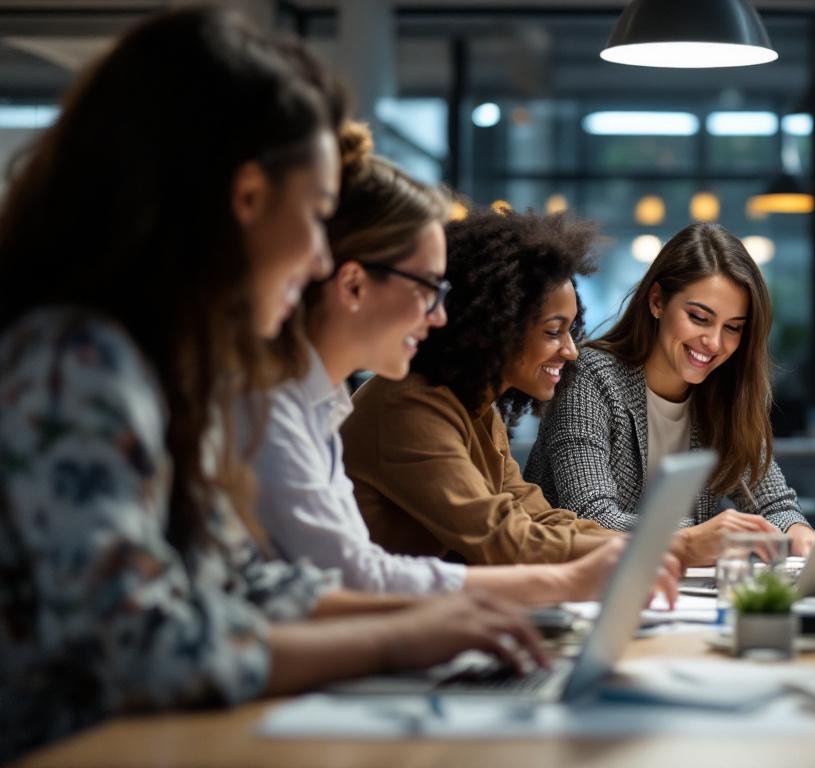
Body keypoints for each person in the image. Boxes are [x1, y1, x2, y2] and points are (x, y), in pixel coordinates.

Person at [0, 10, 543, 760]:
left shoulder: (166, 368)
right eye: (319, 216)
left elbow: (251, 586)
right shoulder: (75, 361)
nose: (323, 258)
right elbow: (142, 648)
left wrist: (441, 620)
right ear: (246, 198)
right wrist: (395, 640)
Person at [250, 124, 665, 603]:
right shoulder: (402, 404)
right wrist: (660, 549)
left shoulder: (459, 406)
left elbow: (529, 516)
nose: (441, 314)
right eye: (427, 288)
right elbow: (499, 541)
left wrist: (648, 549)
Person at [340, 208, 623, 566]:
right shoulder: (409, 406)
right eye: (554, 331)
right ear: (497, 326)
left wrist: (660, 545)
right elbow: (504, 539)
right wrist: (656, 549)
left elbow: (538, 517)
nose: (570, 350)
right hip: (385, 614)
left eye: (570, 330)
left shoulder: (477, 406)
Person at [526, 222, 815, 567]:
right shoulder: (590, 378)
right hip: (570, 586)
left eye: (733, 327)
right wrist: (703, 536)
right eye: (699, 317)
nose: (714, 343)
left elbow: (773, 504)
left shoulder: (724, 393)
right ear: (657, 301)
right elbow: (590, 517)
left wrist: (798, 532)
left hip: (669, 593)